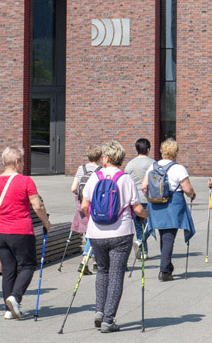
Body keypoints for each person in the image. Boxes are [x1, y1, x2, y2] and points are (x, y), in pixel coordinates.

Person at [81, 140, 147, 333]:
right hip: (121, 233)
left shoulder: (95, 177)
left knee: (102, 271)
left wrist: (92, 222)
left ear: (107, 158)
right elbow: (137, 208)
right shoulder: (125, 179)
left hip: (96, 233)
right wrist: (146, 215)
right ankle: (108, 320)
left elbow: (85, 206)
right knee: (117, 275)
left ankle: (99, 311)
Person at [0, 146, 52, 321]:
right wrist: (46, 222)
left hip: (1, 231)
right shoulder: (25, 181)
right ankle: (15, 297)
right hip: (21, 231)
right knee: (28, 265)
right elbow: (37, 206)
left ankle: (9, 309)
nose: (23, 164)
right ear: (17, 162)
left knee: (8, 270)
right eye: (22, 161)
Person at [140, 138, 196, 281]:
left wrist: (151, 198)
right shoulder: (178, 168)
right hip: (173, 205)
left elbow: (144, 186)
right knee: (169, 237)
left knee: (165, 236)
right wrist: (193, 195)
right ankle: (164, 271)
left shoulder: (153, 166)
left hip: (156, 205)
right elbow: (187, 189)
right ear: (175, 152)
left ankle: (168, 266)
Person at [71, 145, 103, 275]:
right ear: (100, 157)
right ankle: (84, 261)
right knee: (93, 233)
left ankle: (95, 263)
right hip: (95, 206)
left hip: (81, 204)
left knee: (88, 233)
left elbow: (73, 188)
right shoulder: (101, 170)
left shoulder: (81, 169)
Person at [125, 138, 156, 255]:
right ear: (148, 149)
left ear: (136, 149)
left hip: (135, 199)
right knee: (151, 224)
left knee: (138, 226)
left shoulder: (130, 164)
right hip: (150, 198)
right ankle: (140, 242)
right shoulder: (153, 163)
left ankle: (143, 252)